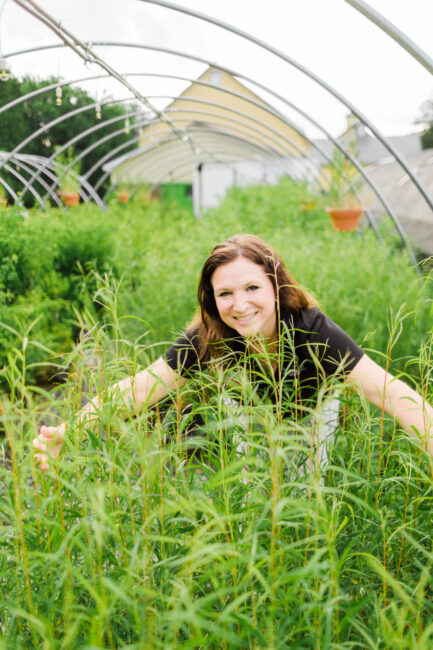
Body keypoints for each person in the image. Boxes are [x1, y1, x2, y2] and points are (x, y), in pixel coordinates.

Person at [34, 234, 433, 471]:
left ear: (275, 286)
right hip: (247, 416)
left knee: (310, 501)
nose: (239, 305)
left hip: (310, 416)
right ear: (212, 299)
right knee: (253, 498)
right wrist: (66, 433)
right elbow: (138, 390)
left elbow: (391, 393)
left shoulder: (313, 331)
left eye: (251, 289)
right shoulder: (208, 337)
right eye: (225, 294)